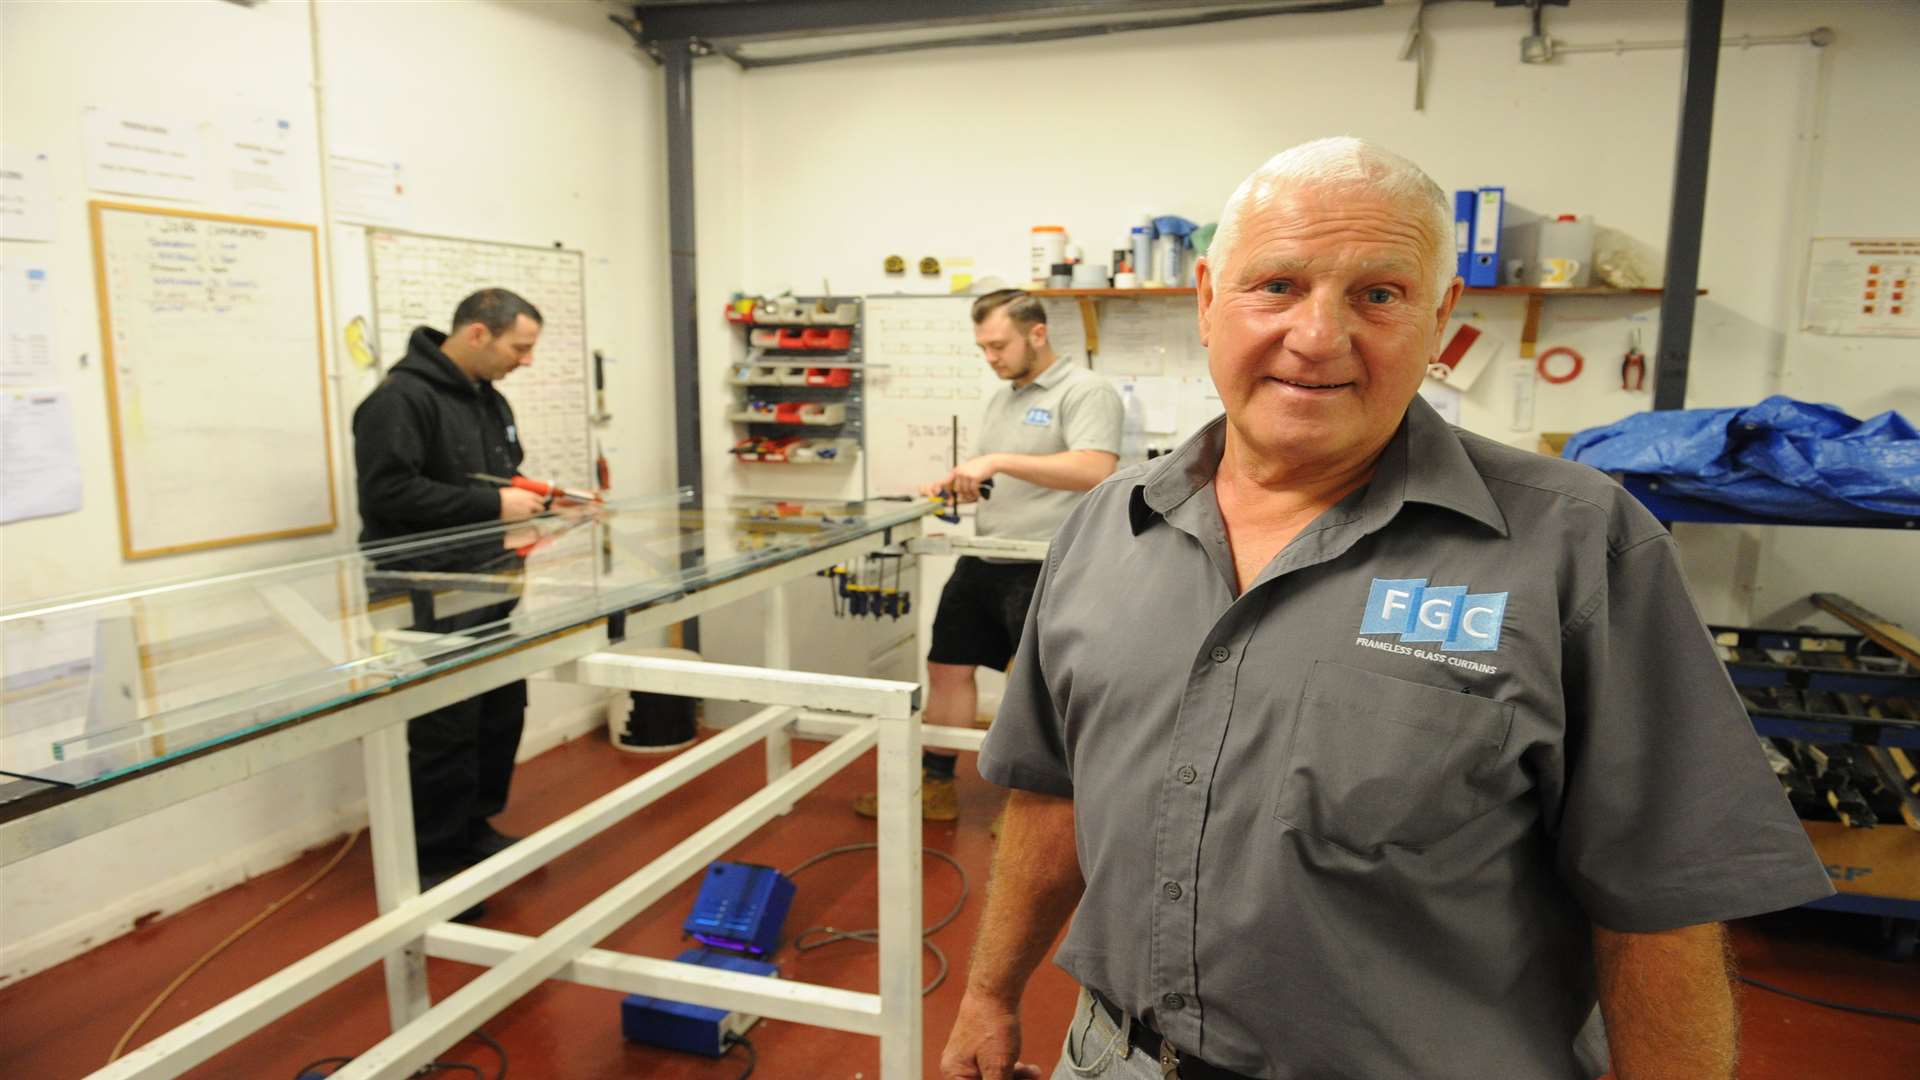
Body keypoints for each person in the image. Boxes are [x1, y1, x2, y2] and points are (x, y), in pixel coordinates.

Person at [944, 139, 1833, 1080]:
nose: (1319, 337)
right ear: (1208, 299)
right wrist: (989, 993)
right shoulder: (1105, 530)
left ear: (1441, 314)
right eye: (1277, 285)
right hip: (1114, 1058)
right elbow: (1049, 791)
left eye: (1379, 294)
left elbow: (1660, 904)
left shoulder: (1577, 549)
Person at [855, 289, 1123, 823]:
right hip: (984, 557)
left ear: (1037, 334)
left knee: (1034, 689)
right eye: (982, 348)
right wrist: (967, 485)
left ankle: (1031, 813)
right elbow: (1016, 478)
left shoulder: (1086, 390)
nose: (991, 358)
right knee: (947, 668)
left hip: (1046, 564)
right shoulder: (1004, 397)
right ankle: (934, 785)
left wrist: (995, 460)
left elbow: (1096, 469)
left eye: (998, 345)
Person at [353, 288, 546, 906]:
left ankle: (473, 829)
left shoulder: (489, 400)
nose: (526, 360)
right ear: (478, 336)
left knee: (498, 711)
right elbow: (388, 494)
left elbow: (500, 477)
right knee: (444, 728)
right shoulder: (398, 401)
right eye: (520, 347)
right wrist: (493, 505)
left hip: (487, 584)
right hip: (423, 590)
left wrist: (544, 498)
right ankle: (434, 865)